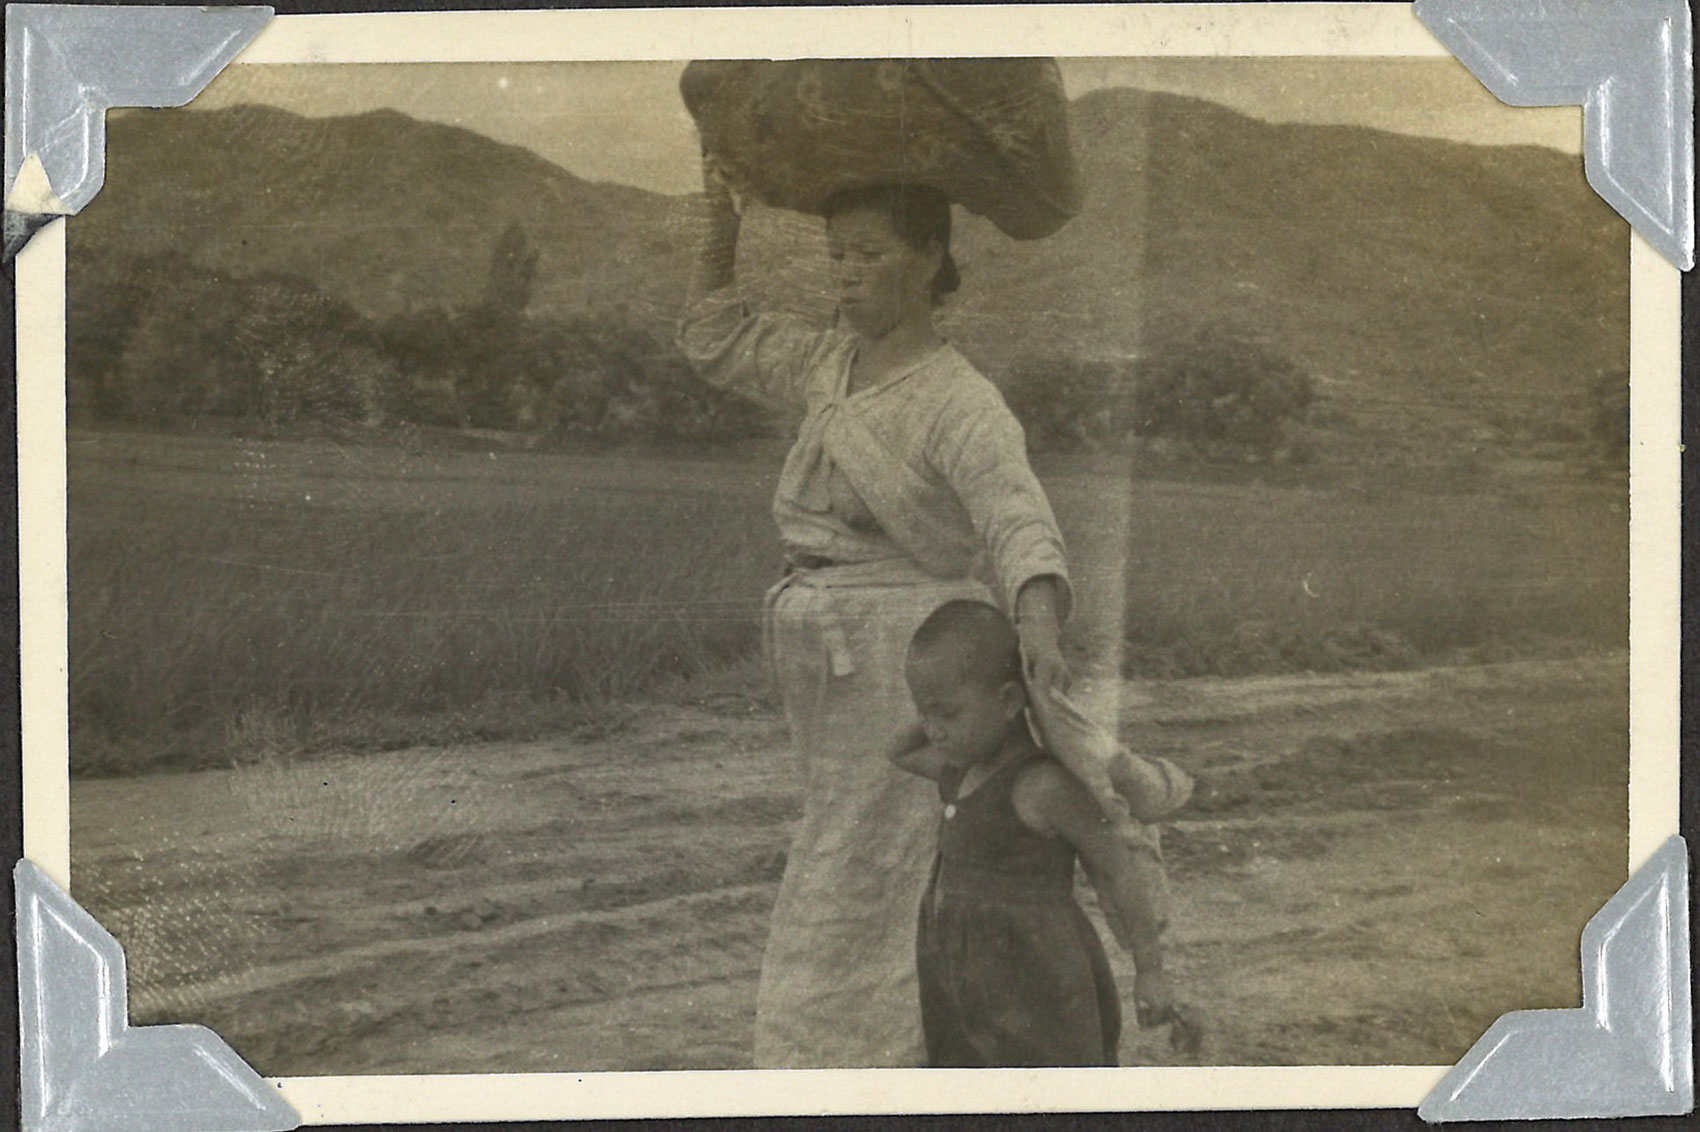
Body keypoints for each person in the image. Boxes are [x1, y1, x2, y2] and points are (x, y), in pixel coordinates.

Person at [677, 161, 1074, 1068]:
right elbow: (715, 339)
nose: (846, 275)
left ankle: (851, 1055)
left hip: (909, 655)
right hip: (824, 650)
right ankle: (880, 1048)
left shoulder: (958, 400)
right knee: (851, 835)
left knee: (862, 853)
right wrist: (719, 238)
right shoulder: (829, 363)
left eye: (869, 254)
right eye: (836, 255)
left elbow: (1015, 514)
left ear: (928, 258)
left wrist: (1040, 622)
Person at [889, 599, 1186, 1067]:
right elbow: (898, 749)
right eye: (926, 716)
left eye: (948, 715)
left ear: (1009, 701)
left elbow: (1117, 870)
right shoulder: (963, 771)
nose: (934, 732)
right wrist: (936, 704)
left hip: (1037, 977)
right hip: (963, 973)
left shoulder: (1041, 786)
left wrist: (1150, 969)